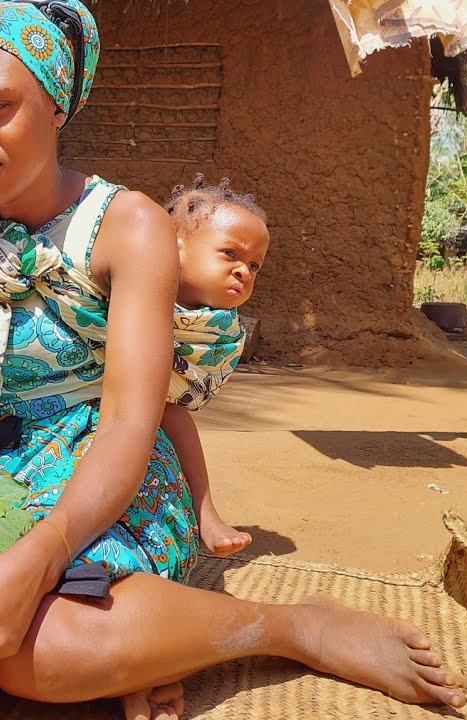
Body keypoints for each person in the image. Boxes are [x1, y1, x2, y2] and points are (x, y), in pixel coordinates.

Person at [0, 2, 467, 718]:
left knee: (35, 652)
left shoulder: (124, 227)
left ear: (55, 105)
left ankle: (289, 626)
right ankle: (148, 646)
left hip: (107, 473)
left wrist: (43, 553)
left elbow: (127, 428)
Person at [158, 175, 271, 558]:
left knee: (172, 413)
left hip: (142, 415)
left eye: (255, 266)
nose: (244, 271)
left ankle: (204, 510)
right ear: (174, 249)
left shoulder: (213, 332)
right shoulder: (113, 291)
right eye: (230, 253)